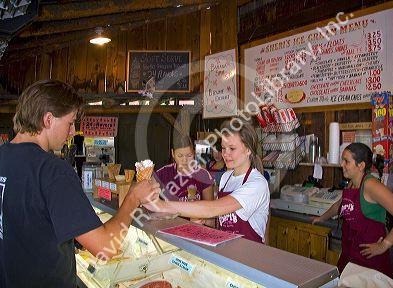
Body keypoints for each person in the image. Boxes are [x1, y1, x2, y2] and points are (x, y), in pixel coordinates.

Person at [0, 80, 160, 288]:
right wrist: (132, 198)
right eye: (71, 122)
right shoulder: (53, 171)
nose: (73, 131)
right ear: (48, 119)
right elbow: (105, 249)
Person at [146, 118, 270, 243]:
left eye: (232, 148)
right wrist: (203, 220)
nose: (225, 154)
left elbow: (212, 209)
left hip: (248, 253)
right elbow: (221, 222)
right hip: (227, 249)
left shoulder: (257, 184)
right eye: (223, 148)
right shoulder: (226, 178)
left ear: (248, 150)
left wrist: (162, 205)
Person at [312, 143, 393, 277]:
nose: (342, 164)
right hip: (351, 257)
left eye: (346, 161)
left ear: (361, 165)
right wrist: (321, 218)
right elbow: (339, 205)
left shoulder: (371, 185)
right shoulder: (351, 183)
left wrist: (384, 245)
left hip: (370, 262)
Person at [155, 132, 214, 203]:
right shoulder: (164, 173)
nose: (184, 160)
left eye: (189, 155)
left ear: (194, 153)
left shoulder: (204, 175)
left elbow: (209, 208)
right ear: (173, 153)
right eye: (180, 156)